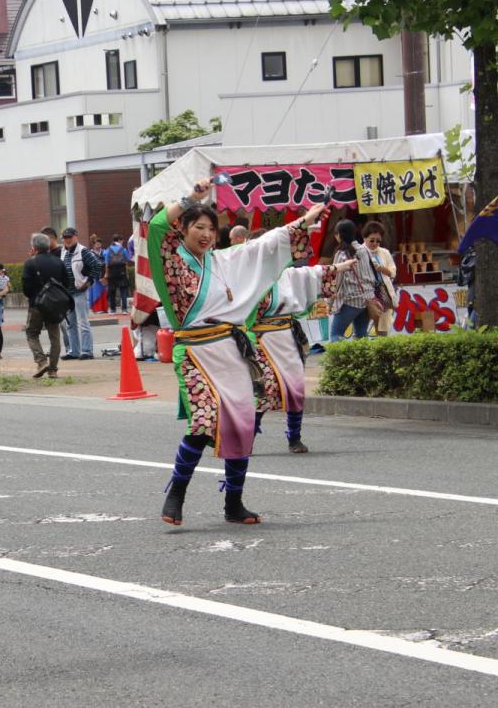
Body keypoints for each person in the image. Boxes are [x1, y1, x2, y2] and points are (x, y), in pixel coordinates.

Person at [150, 177, 332, 526]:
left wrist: (307, 218)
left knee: (243, 424)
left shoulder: (222, 262)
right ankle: (177, 493)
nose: (206, 234)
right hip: (195, 352)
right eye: (198, 227)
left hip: (231, 351)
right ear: (182, 229)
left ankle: (233, 503)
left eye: (210, 228)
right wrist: (192, 197)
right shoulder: (170, 261)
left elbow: (266, 246)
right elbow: (157, 226)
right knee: (204, 422)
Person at [252, 263, 348, 454]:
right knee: (263, 390)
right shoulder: (247, 276)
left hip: (287, 338)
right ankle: (247, 439)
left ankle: (294, 438)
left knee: (296, 389)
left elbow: (314, 273)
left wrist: (340, 266)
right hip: (259, 341)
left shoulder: (288, 273)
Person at [22, 232, 66, 378]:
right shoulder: (58, 262)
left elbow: (26, 287)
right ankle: (53, 369)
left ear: (34, 247)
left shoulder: (30, 263)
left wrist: (34, 296)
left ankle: (41, 361)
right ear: (48, 245)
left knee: (32, 333)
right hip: (54, 305)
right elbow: (67, 283)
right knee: (55, 336)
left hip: (36, 304)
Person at [329, 219, 378, 342]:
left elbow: (336, 281)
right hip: (367, 299)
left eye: (336, 234)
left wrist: (330, 303)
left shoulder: (341, 254)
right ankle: (363, 361)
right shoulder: (364, 249)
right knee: (361, 335)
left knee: (336, 334)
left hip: (350, 301)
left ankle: (339, 361)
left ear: (340, 235)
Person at [59, 227, 102, 360]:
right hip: (67, 293)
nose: (67, 240)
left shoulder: (83, 251)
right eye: (65, 238)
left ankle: (87, 350)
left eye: (70, 237)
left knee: (82, 322)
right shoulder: (63, 251)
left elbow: (98, 266)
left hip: (79, 292)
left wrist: (88, 281)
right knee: (70, 323)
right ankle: (74, 351)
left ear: (76, 237)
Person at [362, 221, 397, 336]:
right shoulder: (359, 252)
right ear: (364, 237)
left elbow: (393, 272)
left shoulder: (384, 252)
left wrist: (382, 269)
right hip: (365, 292)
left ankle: (382, 346)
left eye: (378, 241)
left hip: (382, 291)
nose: (375, 243)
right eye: (372, 240)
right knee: (363, 325)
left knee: (383, 325)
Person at [103, 234, 132, 313]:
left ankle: (112, 309)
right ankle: (124, 309)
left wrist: (106, 274)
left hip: (112, 273)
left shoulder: (108, 250)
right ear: (119, 240)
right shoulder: (123, 249)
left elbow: (106, 264)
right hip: (122, 272)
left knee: (112, 292)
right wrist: (127, 274)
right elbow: (127, 260)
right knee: (123, 291)